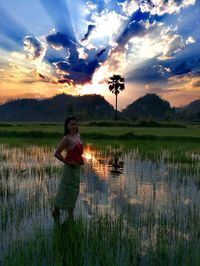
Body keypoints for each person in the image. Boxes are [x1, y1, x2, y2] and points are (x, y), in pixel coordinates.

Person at [52, 116, 84, 221]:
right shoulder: (66, 138)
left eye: (75, 124)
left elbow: (78, 153)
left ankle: (69, 214)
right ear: (67, 126)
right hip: (69, 169)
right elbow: (56, 154)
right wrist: (68, 162)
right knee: (65, 190)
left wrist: (80, 160)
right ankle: (57, 210)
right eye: (71, 124)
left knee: (74, 190)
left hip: (77, 168)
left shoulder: (78, 136)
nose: (74, 126)